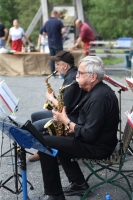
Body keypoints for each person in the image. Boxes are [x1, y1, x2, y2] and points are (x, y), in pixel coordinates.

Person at [38, 55, 119, 200]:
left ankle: (55, 195)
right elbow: (89, 126)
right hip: (98, 142)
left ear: (93, 76)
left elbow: (89, 135)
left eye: (80, 73)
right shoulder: (96, 91)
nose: (76, 76)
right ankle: (79, 183)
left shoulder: (98, 98)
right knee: (58, 139)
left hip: (98, 147)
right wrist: (71, 128)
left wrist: (67, 122)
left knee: (45, 143)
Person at [28, 50, 87, 162]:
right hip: (68, 112)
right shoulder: (71, 74)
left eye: (58, 64)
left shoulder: (71, 78)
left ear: (65, 66)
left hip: (71, 116)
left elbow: (65, 107)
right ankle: (44, 149)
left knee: (35, 126)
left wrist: (51, 99)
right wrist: (55, 97)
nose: (56, 67)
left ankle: (51, 152)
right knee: (35, 115)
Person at [41, 10, 66, 78]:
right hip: (58, 42)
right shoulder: (58, 21)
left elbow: (42, 32)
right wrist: (60, 34)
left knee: (52, 59)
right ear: (56, 14)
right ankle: (61, 74)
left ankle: (53, 74)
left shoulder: (47, 22)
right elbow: (64, 30)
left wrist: (49, 34)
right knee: (59, 58)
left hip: (50, 43)